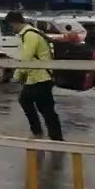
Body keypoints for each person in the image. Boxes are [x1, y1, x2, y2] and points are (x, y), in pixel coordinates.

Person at [7, 11, 62, 141]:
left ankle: (41, 133)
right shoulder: (30, 32)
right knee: (45, 108)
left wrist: (17, 75)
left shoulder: (29, 34)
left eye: (10, 26)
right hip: (39, 76)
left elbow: (26, 58)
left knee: (29, 102)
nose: (11, 29)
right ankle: (54, 136)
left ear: (14, 23)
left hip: (40, 76)